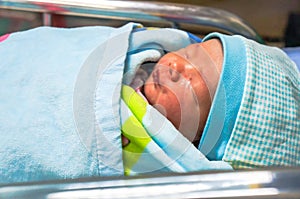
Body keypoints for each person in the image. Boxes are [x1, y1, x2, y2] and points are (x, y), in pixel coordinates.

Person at [123, 32, 300, 168]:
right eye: (188, 53)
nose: (174, 66)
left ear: (197, 138)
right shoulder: (135, 61)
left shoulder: (163, 162)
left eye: (190, 81)